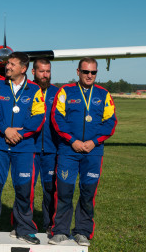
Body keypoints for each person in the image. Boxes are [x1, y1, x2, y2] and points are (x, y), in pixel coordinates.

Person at [0, 52, 45, 245]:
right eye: (8, 63)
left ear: (23, 69)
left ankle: (24, 229)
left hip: (23, 147)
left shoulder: (34, 90)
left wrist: (20, 134)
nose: (8, 66)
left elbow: (39, 116)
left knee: (24, 190)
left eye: (12, 64)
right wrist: (5, 129)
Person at [48, 57, 117, 247]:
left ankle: (82, 232)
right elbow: (57, 118)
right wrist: (73, 141)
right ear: (78, 72)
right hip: (68, 150)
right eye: (86, 72)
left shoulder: (104, 94)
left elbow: (110, 122)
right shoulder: (66, 91)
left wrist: (94, 142)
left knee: (88, 193)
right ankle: (60, 230)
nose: (89, 75)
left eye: (93, 72)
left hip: (93, 152)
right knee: (64, 191)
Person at [30, 58, 59, 235]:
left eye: (48, 71)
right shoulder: (27, 90)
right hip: (30, 149)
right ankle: (23, 224)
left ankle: (50, 225)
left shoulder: (58, 92)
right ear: (33, 72)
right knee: (26, 188)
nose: (45, 75)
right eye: (42, 71)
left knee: (50, 189)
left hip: (51, 151)